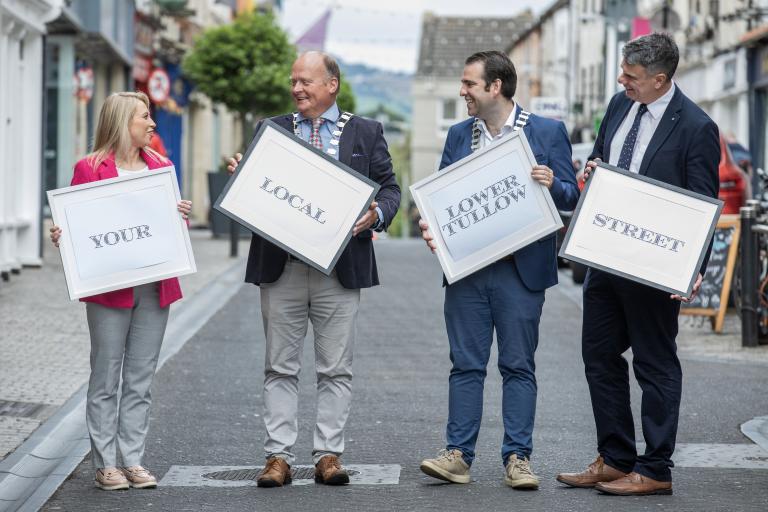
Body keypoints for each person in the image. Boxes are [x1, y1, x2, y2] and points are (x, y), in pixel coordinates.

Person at [226, 51, 400, 487]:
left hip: (340, 270)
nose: (296, 88)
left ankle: (328, 455)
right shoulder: (272, 130)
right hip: (281, 266)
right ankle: (277, 458)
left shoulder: (366, 131)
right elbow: (259, 192)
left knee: (335, 368)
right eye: (294, 81)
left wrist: (377, 213)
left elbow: (391, 189)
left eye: (305, 81)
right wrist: (241, 178)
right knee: (279, 366)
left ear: (332, 84)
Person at [556, 33, 719, 496]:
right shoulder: (618, 104)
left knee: (655, 363)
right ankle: (615, 458)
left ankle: (655, 469)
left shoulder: (696, 127)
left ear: (660, 79)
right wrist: (592, 170)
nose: (621, 81)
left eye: (631, 76)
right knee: (599, 355)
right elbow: (601, 157)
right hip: (605, 258)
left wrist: (693, 268)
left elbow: (704, 201)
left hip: (655, 265)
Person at [417, 50, 579, 488]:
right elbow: (442, 199)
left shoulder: (546, 131)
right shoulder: (457, 135)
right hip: (467, 271)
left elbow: (572, 196)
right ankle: (457, 456)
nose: (462, 91)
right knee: (465, 364)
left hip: (521, 271)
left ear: (495, 87)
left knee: (518, 365)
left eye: (469, 84)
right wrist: (430, 225)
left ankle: (518, 459)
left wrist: (553, 183)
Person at [50, 91, 192, 490]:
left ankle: (132, 459)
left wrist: (180, 215)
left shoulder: (162, 167)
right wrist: (63, 233)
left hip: (154, 286)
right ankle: (105, 463)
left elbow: (166, 229)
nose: (152, 124)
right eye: (144, 118)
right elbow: (78, 226)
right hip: (109, 288)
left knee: (141, 377)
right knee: (106, 374)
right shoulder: (89, 168)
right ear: (121, 122)